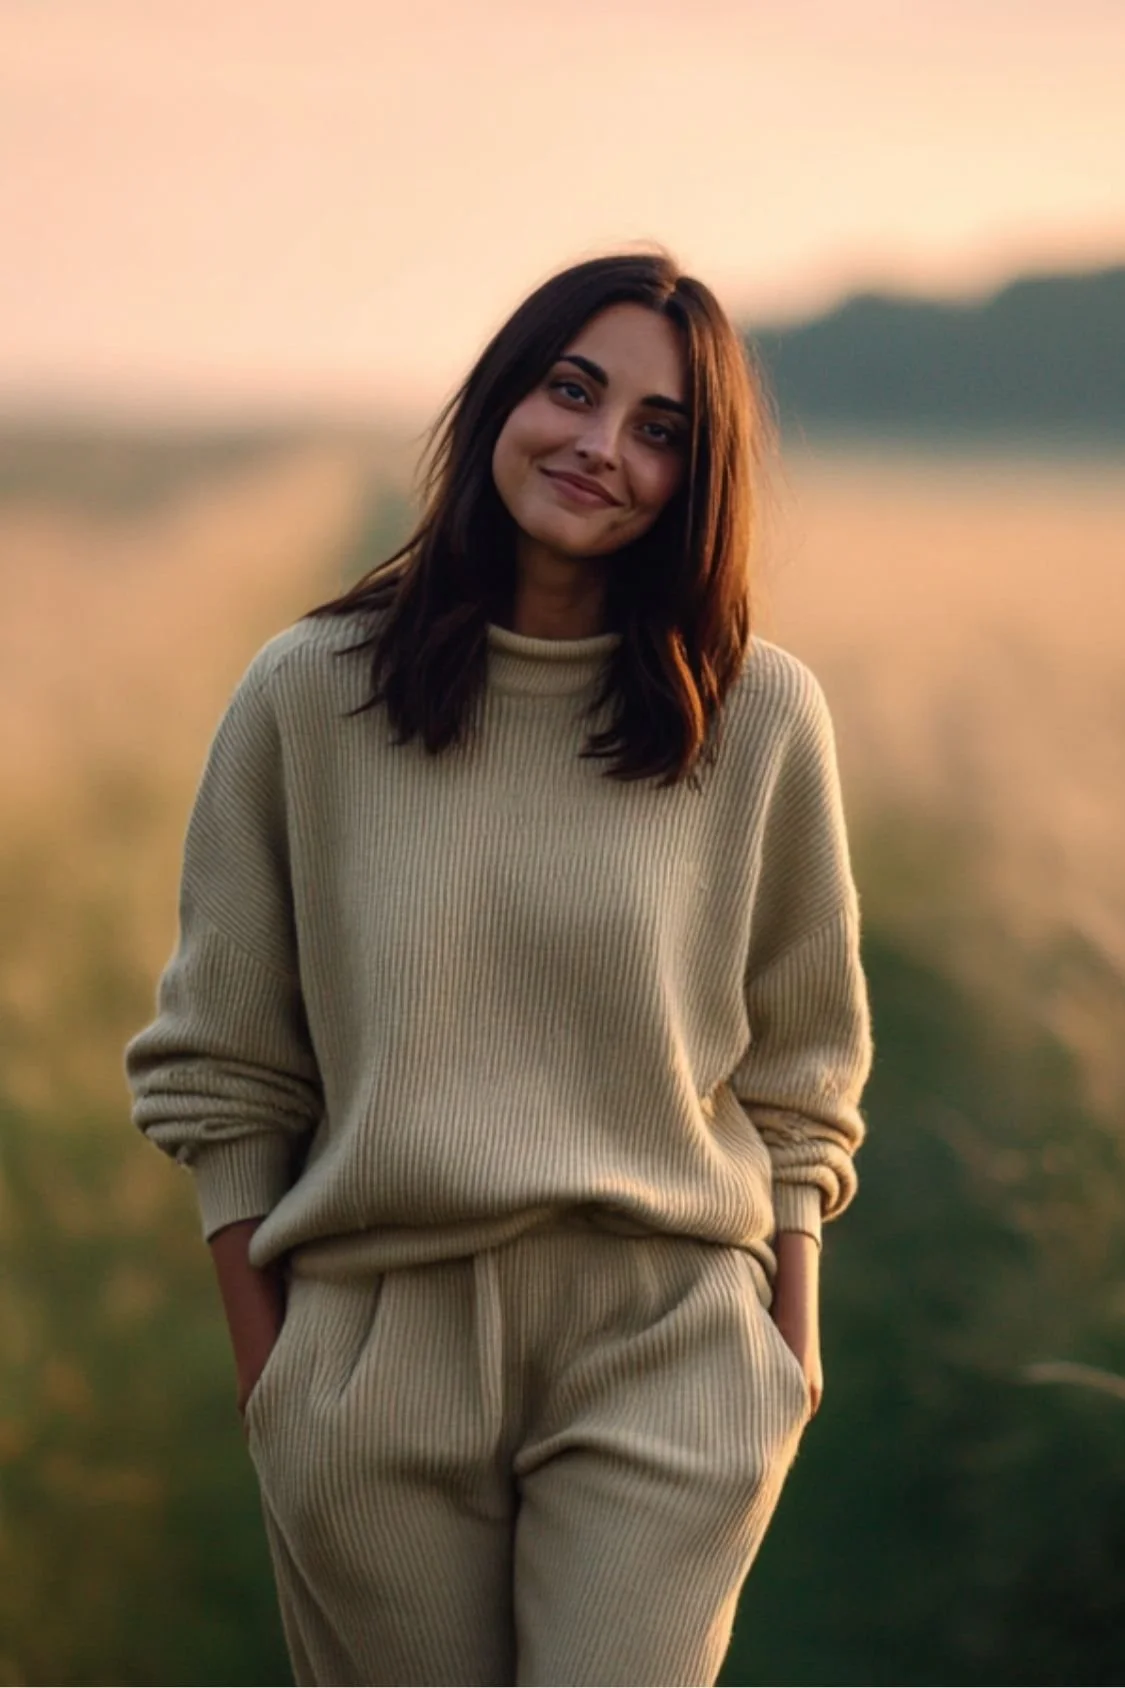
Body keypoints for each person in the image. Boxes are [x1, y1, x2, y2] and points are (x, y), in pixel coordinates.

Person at [125, 249, 874, 1688]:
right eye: (573, 391)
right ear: (498, 403)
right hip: (372, 1354)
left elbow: (804, 1059)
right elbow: (222, 1058)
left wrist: (790, 1344)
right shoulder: (307, 696)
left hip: (666, 1343)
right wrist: (275, 1380)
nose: (602, 448)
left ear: (697, 480)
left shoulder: (760, 716)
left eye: (662, 430)